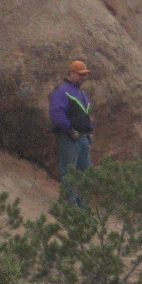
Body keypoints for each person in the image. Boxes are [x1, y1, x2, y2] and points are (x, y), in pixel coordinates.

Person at [49, 60, 94, 192]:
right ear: (72, 73)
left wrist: (89, 129)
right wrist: (69, 130)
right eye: (81, 75)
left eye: (85, 75)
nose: (83, 78)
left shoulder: (81, 92)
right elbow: (57, 113)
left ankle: (81, 206)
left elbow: (85, 113)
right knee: (69, 172)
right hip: (69, 138)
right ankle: (70, 205)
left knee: (84, 172)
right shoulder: (62, 90)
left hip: (83, 137)